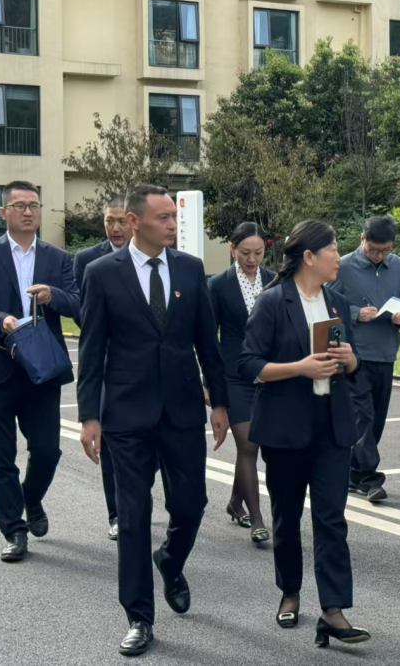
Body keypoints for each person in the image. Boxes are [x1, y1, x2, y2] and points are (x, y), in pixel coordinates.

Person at [76, 184, 230, 658]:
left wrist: (220, 403)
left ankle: (171, 560)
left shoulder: (190, 268)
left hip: (181, 409)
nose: (172, 224)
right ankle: (139, 617)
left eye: (174, 217)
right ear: (133, 221)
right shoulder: (102, 273)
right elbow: (92, 349)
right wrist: (89, 416)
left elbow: (207, 343)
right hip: (126, 414)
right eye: (163, 217)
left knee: (191, 504)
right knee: (133, 515)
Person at [237, 220, 369, 648]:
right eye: (332, 249)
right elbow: (249, 364)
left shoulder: (338, 303)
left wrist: (350, 360)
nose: (338, 256)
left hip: (332, 425)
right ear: (309, 257)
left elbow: (350, 364)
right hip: (286, 427)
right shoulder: (272, 302)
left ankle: (334, 609)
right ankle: (289, 592)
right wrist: (300, 368)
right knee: (287, 516)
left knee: (331, 519)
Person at [0, 180, 80, 563]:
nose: (28, 212)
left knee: (47, 450)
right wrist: (0, 320)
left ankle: (31, 498)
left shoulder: (58, 258)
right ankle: (14, 530)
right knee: (2, 457)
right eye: (20, 206)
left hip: (42, 368)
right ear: (3, 212)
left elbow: (78, 303)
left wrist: (52, 296)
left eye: (34, 205)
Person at [329, 215, 400, 503]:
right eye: (374, 250)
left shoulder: (398, 266)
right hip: (355, 355)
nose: (379, 256)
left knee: (375, 419)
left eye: (385, 250)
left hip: (386, 353)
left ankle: (353, 473)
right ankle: (370, 478)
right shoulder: (342, 266)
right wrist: (356, 313)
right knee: (362, 415)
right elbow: (328, 304)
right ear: (362, 239)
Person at [207, 222, 276, 543]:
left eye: (258, 253)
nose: (252, 259)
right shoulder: (218, 285)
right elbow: (208, 339)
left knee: (257, 444)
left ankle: (236, 502)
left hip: (268, 373)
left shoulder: (274, 280)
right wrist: (209, 382)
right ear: (232, 249)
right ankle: (258, 519)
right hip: (233, 376)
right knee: (248, 444)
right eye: (245, 252)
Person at [73, 197, 132, 542]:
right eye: (110, 221)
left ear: (132, 221)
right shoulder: (87, 260)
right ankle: (117, 513)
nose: (115, 228)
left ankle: (135, 499)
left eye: (121, 221)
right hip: (107, 360)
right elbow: (84, 314)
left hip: (145, 366)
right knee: (110, 443)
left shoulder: (155, 257)